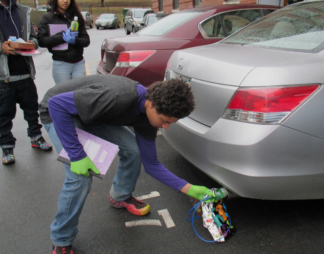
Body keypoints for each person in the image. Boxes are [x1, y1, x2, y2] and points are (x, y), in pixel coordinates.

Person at [41, 75, 219, 253]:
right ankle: (61, 239)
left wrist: (188, 188)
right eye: (165, 120)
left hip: (93, 115)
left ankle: (120, 196)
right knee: (80, 178)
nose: (165, 127)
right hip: (58, 113)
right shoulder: (119, 97)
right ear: (152, 104)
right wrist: (77, 154)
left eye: (170, 123)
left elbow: (151, 164)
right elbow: (56, 104)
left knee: (133, 151)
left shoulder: (148, 119)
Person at [0, 0, 48, 165]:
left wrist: (31, 44)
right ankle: (7, 148)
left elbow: (34, 38)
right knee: (4, 116)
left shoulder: (23, 11)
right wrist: (1, 48)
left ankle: (36, 137)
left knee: (32, 110)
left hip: (25, 73)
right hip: (4, 78)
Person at [38, 0, 88, 85]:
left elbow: (86, 40)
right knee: (64, 94)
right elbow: (41, 41)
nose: (65, 1)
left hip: (78, 63)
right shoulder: (48, 17)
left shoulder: (76, 17)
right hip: (61, 64)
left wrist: (75, 40)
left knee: (79, 94)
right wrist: (62, 37)